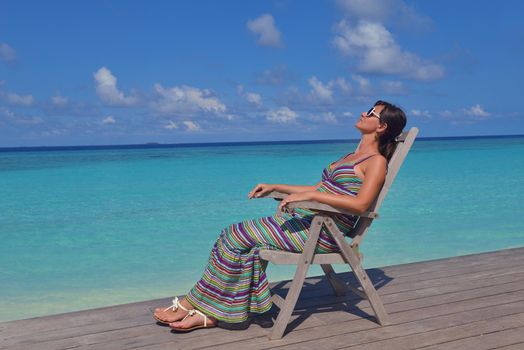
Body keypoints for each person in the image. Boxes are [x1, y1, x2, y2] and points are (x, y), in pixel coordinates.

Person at [153, 100, 407, 332]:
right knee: (237, 241)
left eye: (371, 113)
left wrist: (314, 199)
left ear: (381, 126)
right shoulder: (351, 156)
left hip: (325, 233)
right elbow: (316, 189)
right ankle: (215, 312)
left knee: (234, 235)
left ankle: (193, 305)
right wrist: (276, 187)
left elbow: (361, 204)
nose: (363, 112)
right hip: (309, 224)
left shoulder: (375, 162)